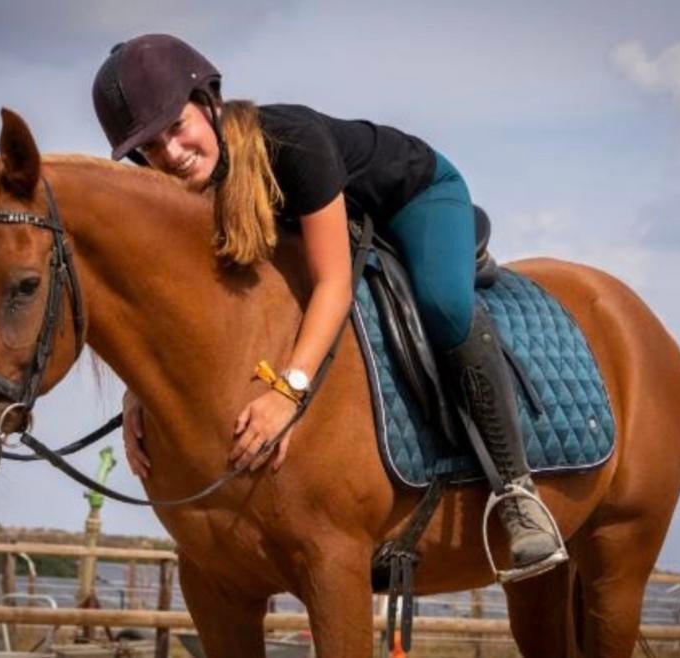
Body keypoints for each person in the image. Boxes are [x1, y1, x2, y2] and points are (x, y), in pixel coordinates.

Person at [92, 34, 563, 574]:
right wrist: (137, 393)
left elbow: (334, 281)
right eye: (151, 148)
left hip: (415, 195)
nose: (171, 155)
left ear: (209, 103)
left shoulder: (292, 141)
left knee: (443, 305)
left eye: (176, 128)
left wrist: (288, 394)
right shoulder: (176, 191)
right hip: (338, 221)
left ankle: (517, 492)